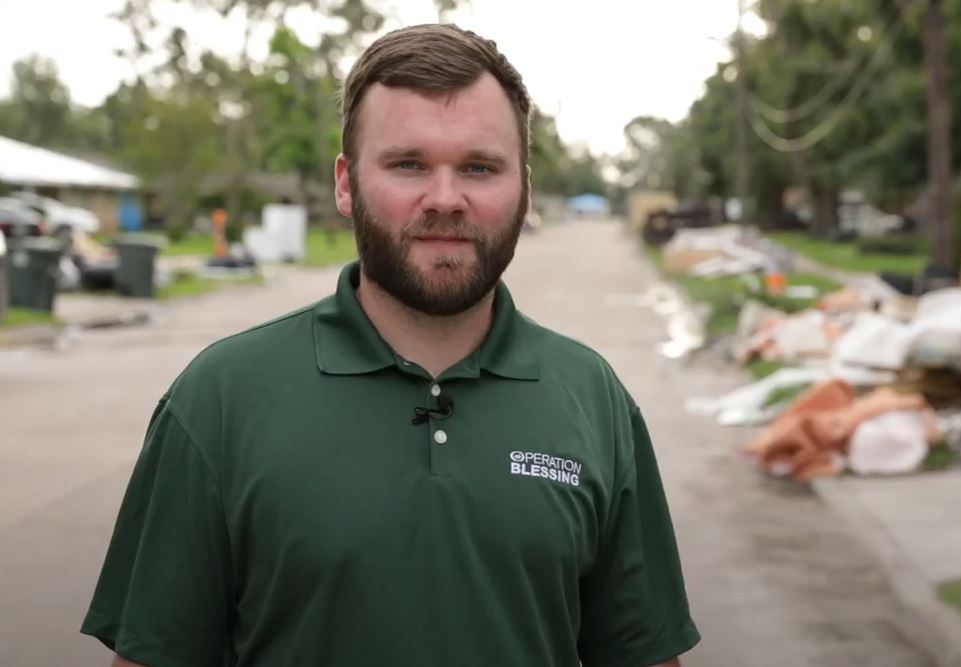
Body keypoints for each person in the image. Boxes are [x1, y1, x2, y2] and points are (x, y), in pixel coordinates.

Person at [81, 24, 699, 667]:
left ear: (524, 187)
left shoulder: (593, 399)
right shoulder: (218, 399)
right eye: (408, 164)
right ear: (345, 184)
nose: (445, 199)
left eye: (479, 167)